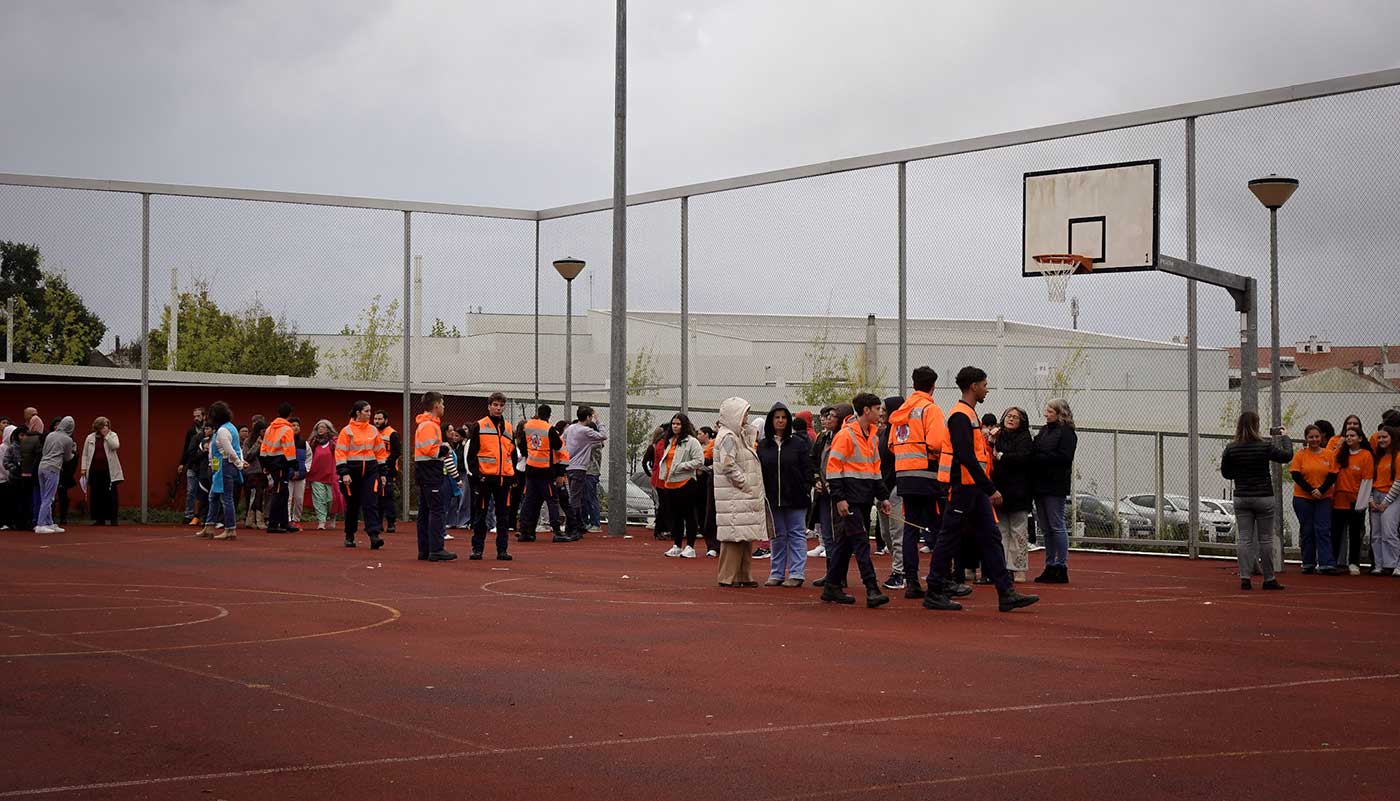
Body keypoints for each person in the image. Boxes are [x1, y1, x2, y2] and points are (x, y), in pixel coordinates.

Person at [921, 367, 1040, 613]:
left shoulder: (968, 414)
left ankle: (1005, 593)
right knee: (949, 537)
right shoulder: (960, 416)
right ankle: (934, 590)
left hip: (972, 488)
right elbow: (965, 456)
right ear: (973, 386)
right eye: (985, 384)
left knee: (991, 536)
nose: (987, 389)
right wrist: (990, 488)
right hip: (964, 488)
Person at [817, 394, 891, 607]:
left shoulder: (873, 436)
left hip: (864, 497)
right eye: (877, 408)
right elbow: (833, 468)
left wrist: (883, 497)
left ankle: (831, 586)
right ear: (866, 410)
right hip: (849, 499)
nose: (880, 413)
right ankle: (871, 588)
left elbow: (875, 470)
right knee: (860, 542)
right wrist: (839, 498)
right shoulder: (846, 436)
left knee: (846, 543)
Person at [886, 368, 949, 598]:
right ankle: (941, 577)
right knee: (938, 526)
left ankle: (911, 580)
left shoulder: (903, 410)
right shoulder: (930, 409)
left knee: (910, 528)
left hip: (904, 475)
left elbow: (892, 444)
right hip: (927, 474)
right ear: (933, 386)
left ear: (913, 385)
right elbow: (936, 443)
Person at [1219, 411, 1293, 590]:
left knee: (1244, 538)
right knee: (1265, 539)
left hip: (1242, 496)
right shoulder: (1264, 446)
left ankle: (1245, 577)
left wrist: (1240, 474)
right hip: (1263, 495)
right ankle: (1269, 578)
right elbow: (1286, 456)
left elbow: (1226, 473)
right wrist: (1285, 438)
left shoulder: (1231, 448)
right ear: (1256, 426)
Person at [713, 397, 767, 587]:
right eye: (744, 413)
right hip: (735, 495)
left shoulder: (739, 435)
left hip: (740, 494)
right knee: (733, 538)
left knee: (745, 536)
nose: (747, 417)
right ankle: (728, 576)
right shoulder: (728, 436)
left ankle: (744, 575)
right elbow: (728, 464)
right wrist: (743, 483)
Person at [758, 403, 811, 584]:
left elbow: (807, 469)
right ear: (771, 420)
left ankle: (797, 573)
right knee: (777, 535)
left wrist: (805, 488)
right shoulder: (763, 446)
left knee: (796, 534)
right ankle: (777, 573)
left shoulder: (799, 443)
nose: (780, 421)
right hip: (773, 498)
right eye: (777, 417)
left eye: (784, 417)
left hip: (796, 497)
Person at [1031, 398, 1078, 584]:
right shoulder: (1044, 431)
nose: (1046, 414)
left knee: (1056, 524)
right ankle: (1050, 564)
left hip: (1055, 485)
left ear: (1059, 413)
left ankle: (1061, 565)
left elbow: (1065, 458)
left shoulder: (1067, 433)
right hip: (1040, 484)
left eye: (1050, 411)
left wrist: (1040, 458)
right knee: (1046, 527)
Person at [467, 392, 516, 561]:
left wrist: (513, 474)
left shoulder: (509, 427)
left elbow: (512, 453)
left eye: (501, 405)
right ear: (489, 406)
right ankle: (477, 548)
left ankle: (502, 550)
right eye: (495, 405)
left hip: (504, 478)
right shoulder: (479, 426)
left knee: (503, 516)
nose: (498, 408)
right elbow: (471, 455)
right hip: (485, 479)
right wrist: (477, 475)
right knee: (481, 514)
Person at [335, 400, 387, 550]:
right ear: (358, 413)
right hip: (351, 471)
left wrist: (382, 473)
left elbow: (380, 452)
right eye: (366, 411)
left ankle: (374, 536)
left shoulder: (373, 430)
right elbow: (340, 452)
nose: (369, 414)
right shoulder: (346, 431)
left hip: (370, 471)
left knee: (371, 502)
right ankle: (349, 535)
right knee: (353, 505)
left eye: (370, 411)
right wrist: (344, 472)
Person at [1290, 424, 1341, 574]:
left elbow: (1333, 475)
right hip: (1303, 497)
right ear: (1306, 438)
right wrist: (1311, 490)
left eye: (1317, 436)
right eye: (1311, 437)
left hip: (1324, 497)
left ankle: (1326, 563)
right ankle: (1308, 562)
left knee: (1323, 529)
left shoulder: (1328, 454)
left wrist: (1321, 490)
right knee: (1307, 530)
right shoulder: (1300, 455)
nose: (1314, 439)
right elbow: (1296, 474)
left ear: (1321, 438)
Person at [993, 407, 1034, 582]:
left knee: (1018, 530)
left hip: (1019, 491)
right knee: (1001, 530)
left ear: (1021, 422)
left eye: (1015, 417)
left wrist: (1002, 456)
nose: (1011, 419)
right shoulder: (997, 436)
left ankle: (1018, 568)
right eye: (1009, 416)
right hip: (999, 489)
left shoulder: (1025, 438)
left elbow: (1023, 458)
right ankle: (1002, 566)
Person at [413, 391, 455, 562]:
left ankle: (425, 549)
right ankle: (436, 548)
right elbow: (431, 449)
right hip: (430, 470)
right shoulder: (430, 425)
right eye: (442, 404)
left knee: (425, 510)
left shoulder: (426, 424)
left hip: (425, 470)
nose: (443, 407)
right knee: (436, 509)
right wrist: (444, 448)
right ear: (436, 405)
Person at [517, 405, 569, 543]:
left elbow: (522, 446)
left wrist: (531, 454)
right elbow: (558, 446)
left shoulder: (527, 426)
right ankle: (557, 531)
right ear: (549, 415)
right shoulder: (549, 429)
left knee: (529, 501)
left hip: (530, 469)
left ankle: (525, 531)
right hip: (545, 470)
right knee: (551, 500)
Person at [659, 412, 707, 559]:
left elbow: (699, 460)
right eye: (673, 423)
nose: (675, 426)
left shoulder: (691, 441)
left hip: (686, 483)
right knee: (676, 516)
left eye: (678, 424)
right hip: (670, 484)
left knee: (689, 515)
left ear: (684, 425)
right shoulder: (670, 441)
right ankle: (677, 544)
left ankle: (690, 546)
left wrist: (681, 466)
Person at [201, 402, 246, 540]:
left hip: (225, 466)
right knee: (213, 496)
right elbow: (237, 448)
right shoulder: (229, 427)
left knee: (226, 498)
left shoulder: (222, 431)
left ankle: (230, 529)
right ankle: (209, 526)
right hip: (222, 466)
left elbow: (230, 450)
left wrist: (239, 463)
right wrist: (240, 462)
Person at [1330, 428, 1373, 575]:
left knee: (1355, 533)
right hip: (1339, 499)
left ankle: (1354, 562)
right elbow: (1331, 470)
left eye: (1352, 435)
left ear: (1360, 438)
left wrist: (1362, 503)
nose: (1348, 438)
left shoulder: (1366, 455)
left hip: (1356, 500)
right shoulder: (1340, 454)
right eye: (1347, 435)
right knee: (1336, 532)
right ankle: (1332, 561)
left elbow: (1367, 480)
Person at [564, 406, 608, 535]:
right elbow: (603, 436)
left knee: (575, 496)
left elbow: (562, 439)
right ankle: (572, 526)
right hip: (579, 468)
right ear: (588, 417)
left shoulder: (571, 429)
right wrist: (598, 420)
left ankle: (576, 524)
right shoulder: (586, 431)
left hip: (569, 466)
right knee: (576, 499)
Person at [808, 406, 839, 567]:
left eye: (832, 416)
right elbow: (813, 460)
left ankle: (838, 576)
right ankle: (831, 575)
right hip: (824, 492)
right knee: (826, 532)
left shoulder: (844, 438)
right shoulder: (823, 437)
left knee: (839, 535)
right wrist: (817, 480)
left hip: (840, 493)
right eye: (827, 416)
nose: (827, 419)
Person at [259, 404, 298, 534]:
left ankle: (284, 522)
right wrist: (295, 465)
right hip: (281, 463)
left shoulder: (270, 428)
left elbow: (264, 446)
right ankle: (273, 524)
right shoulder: (287, 429)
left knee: (283, 492)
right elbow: (289, 448)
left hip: (271, 461)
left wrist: (264, 464)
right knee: (279, 492)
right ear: (290, 414)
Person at [34, 416, 75, 534]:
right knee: (49, 497)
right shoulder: (68, 439)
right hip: (53, 468)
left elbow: (44, 451)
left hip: (42, 466)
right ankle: (41, 524)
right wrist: (73, 452)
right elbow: (67, 458)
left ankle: (49, 522)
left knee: (44, 496)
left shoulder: (50, 435)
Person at [1368, 427, 1400, 575]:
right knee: (1376, 534)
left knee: (1389, 531)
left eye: (1384, 437)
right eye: (1379, 438)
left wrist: (1386, 502)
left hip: (1392, 497)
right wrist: (1371, 499)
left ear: (1392, 438)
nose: (1381, 440)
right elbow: (1369, 481)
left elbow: (1398, 482)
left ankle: (1395, 564)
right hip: (1376, 496)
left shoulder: (1398, 457)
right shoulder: (1377, 458)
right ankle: (1379, 565)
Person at [79, 417, 123, 526]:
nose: (105, 428)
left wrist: (106, 436)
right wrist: (83, 468)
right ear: (98, 427)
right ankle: (99, 519)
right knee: (96, 495)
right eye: (103, 426)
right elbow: (85, 454)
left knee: (111, 495)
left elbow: (115, 446)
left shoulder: (112, 435)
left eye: (107, 425)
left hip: (109, 471)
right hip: (94, 471)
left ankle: (113, 518)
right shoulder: (90, 438)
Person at [306, 419, 342, 530]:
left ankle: (332, 517)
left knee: (331, 499)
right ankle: (321, 521)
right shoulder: (312, 442)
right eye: (318, 427)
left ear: (328, 429)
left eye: (323, 427)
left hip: (331, 475)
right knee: (319, 499)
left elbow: (341, 453)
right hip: (316, 475)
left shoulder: (334, 441)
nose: (320, 429)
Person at [373, 411, 401, 533]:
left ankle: (391, 522)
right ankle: (377, 523)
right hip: (373, 468)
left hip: (388, 469)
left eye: (379, 419)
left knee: (387, 496)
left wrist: (386, 465)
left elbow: (396, 452)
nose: (377, 421)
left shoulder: (392, 434)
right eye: (375, 419)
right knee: (376, 496)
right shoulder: (372, 433)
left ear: (386, 420)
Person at [177, 406, 205, 525]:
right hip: (192, 465)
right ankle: (188, 514)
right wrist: (182, 463)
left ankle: (199, 515)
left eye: (198, 416)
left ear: (204, 416)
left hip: (203, 466)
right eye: (194, 416)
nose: (196, 418)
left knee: (203, 491)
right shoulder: (191, 431)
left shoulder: (209, 430)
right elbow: (186, 448)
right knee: (190, 490)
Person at [697, 426, 720, 557]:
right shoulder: (714, 443)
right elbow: (706, 459)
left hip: (733, 482)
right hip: (715, 479)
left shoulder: (743, 438)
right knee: (711, 512)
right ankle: (713, 545)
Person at [242, 421, 267, 530]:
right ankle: (252, 519)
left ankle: (255, 519)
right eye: (263, 431)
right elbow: (247, 456)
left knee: (260, 495)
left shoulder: (267, 440)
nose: (264, 433)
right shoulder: (248, 441)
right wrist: (257, 444)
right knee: (253, 495)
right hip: (252, 472)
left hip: (264, 472)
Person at [287, 418, 309, 525]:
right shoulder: (285, 442)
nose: (296, 427)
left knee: (299, 499)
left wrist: (305, 469)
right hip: (287, 475)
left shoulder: (304, 443)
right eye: (293, 425)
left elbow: (309, 457)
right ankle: (288, 519)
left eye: (297, 425)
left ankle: (296, 518)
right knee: (288, 498)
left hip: (301, 475)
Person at [0, 424, 14, 531]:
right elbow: (2, 465)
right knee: (3, 502)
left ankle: (9, 521)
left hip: (10, 479)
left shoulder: (13, 448)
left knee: (9, 503)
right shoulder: (2, 448)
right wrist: (8, 475)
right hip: (3, 479)